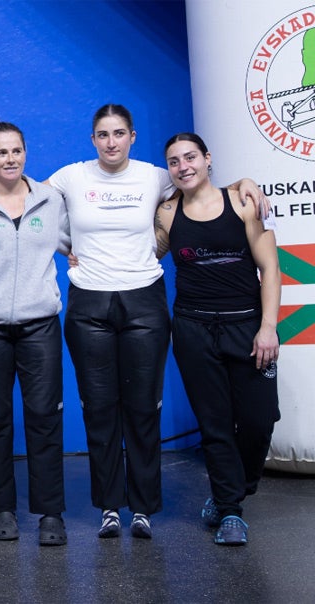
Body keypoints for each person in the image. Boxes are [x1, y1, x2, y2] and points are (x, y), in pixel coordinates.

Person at [0, 104, 269, 539]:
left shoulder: (155, 175)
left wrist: (243, 182)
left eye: (119, 133)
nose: (111, 142)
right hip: (89, 305)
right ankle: (109, 508)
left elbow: (201, 186)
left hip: (144, 301)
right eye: (103, 134)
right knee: (99, 411)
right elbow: (17, 194)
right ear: (93, 140)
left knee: (143, 410)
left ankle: (142, 508)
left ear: (132, 137)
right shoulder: (70, 177)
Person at [154, 133, 280, 546]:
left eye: (191, 157)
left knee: (259, 423)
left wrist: (268, 328)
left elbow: (271, 268)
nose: (184, 166)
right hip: (193, 329)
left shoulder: (243, 202)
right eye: (174, 161)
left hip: (247, 328)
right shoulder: (168, 213)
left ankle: (235, 490)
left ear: (207, 159)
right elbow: (137, 252)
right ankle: (229, 510)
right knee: (215, 425)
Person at [0, 123, 69, 546]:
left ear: (25, 153)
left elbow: (80, 240)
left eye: (16, 150)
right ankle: (2, 508)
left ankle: (50, 513)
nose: (10, 159)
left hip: (40, 325)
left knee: (44, 419)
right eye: (0, 153)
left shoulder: (51, 199)